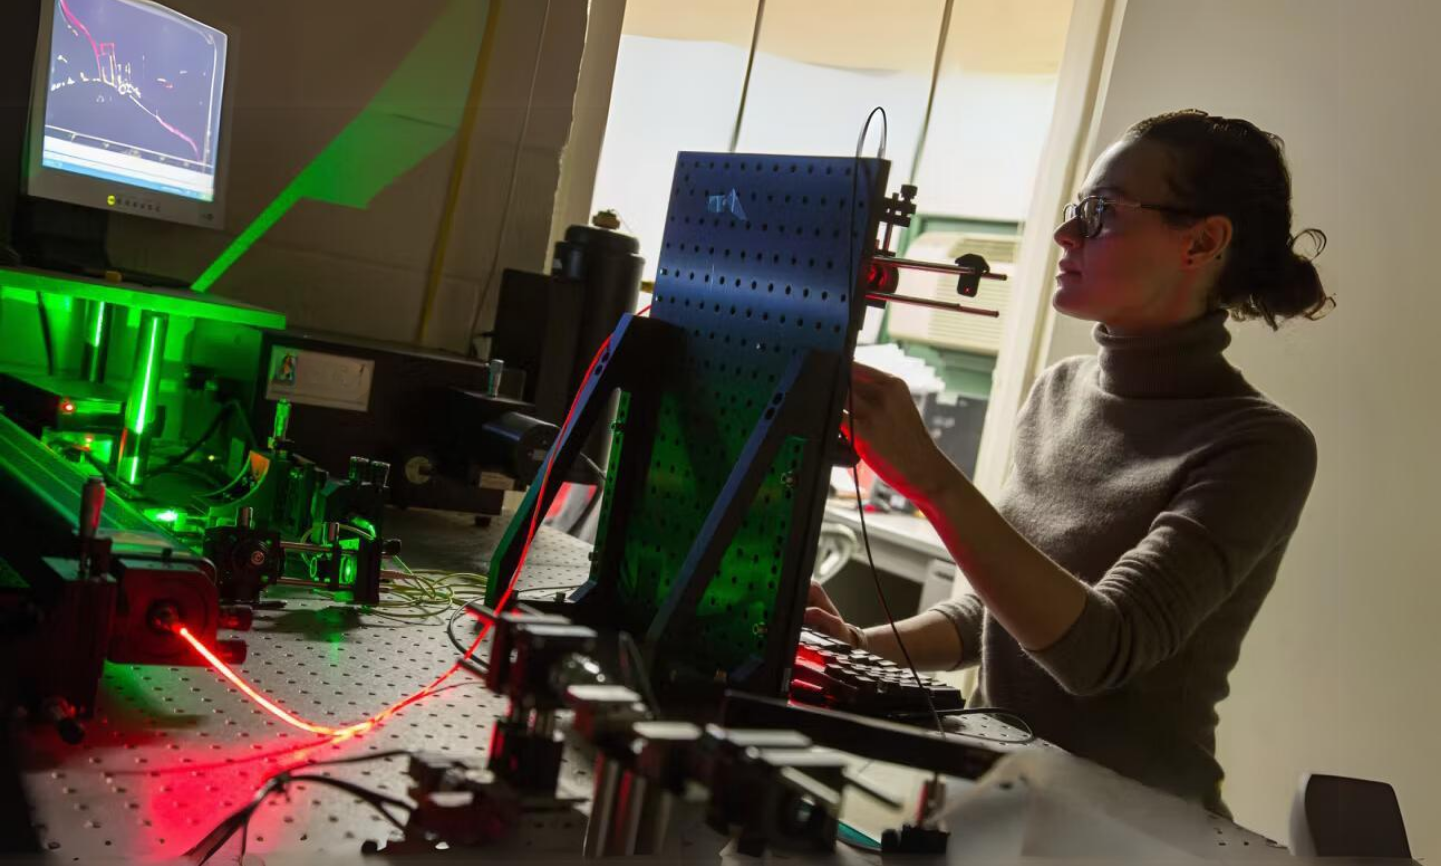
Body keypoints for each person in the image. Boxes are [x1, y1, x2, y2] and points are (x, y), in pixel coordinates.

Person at [807, 109, 1332, 816]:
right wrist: (866, 645)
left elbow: (1098, 651)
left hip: (1133, 833)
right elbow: (995, 613)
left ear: (1202, 242)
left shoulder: (1260, 446)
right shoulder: (1058, 389)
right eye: (1072, 209)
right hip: (996, 800)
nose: (1065, 234)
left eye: (1101, 212)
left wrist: (931, 478)